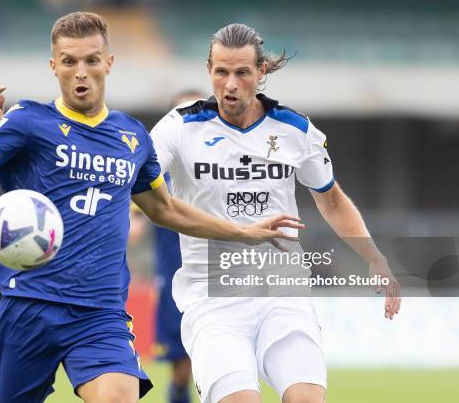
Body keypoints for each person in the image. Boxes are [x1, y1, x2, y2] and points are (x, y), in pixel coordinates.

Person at [0, 12, 303, 403]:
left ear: (108, 63)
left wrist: (244, 232)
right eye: (69, 61)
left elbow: (165, 209)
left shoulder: (131, 137)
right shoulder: (29, 121)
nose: (81, 72)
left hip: (100, 313)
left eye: (91, 60)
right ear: (54, 66)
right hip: (28, 305)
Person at [150, 23, 402, 403]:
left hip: (283, 293)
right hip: (212, 300)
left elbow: (331, 199)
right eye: (221, 72)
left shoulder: (294, 129)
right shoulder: (180, 127)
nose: (230, 84)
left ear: (261, 72)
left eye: (242, 72)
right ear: (209, 71)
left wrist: (373, 256)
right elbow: (142, 185)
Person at [130, 90, 205, 403]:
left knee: (218, 364)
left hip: (221, 282)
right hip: (174, 284)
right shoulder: (157, 174)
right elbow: (133, 228)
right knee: (181, 369)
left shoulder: (219, 168)